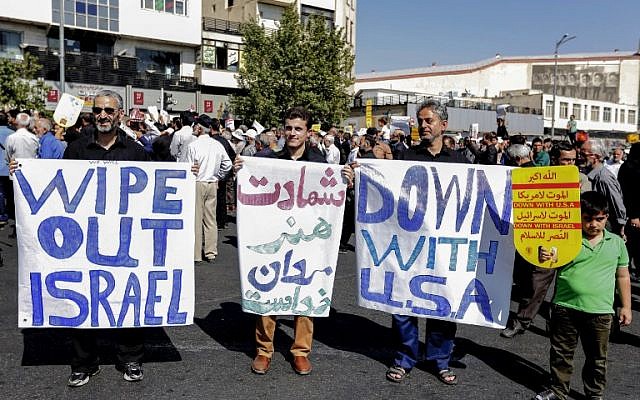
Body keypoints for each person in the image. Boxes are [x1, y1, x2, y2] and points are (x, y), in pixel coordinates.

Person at [234, 106, 353, 376]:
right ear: (282, 130)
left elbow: (331, 201)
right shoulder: (267, 159)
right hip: (274, 237)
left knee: (306, 293)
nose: (292, 133)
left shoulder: (320, 165)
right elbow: (251, 188)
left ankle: (300, 351)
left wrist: (345, 181)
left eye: (298, 128)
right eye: (288, 128)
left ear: (308, 132)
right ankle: (264, 351)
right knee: (267, 292)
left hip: (307, 239)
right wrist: (241, 169)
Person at [60, 90, 150, 387]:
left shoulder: (136, 152)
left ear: (119, 115)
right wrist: (20, 174)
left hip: (125, 239)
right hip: (85, 238)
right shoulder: (76, 149)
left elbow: (154, 192)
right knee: (84, 297)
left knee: (127, 296)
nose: (102, 115)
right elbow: (56, 187)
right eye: (98, 110)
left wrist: (187, 175)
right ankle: (84, 362)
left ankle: (131, 358)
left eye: (109, 111)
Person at [386, 100, 468, 386]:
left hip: (444, 249)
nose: (423, 125)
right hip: (410, 246)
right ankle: (405, 358)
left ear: (443, 126)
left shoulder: (460, 163)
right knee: (404, 304)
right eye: (420, 121)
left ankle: (439, 359)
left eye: (429, 121)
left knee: (443, 303)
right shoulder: (406, 157)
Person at [534, 191, 631, 400]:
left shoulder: (616, 243)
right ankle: (558, 390)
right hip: (565, 307)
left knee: (597, 358)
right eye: (587, 219)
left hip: (601, 312)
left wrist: (626, 306)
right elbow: (550, 260)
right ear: (578, 216)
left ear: (607, 217)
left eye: (599, 219)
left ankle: (594, 394)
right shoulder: (567, 239)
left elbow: (623, 276)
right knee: (561, 353)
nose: (593, 224)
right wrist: (543, 254)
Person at [185, 115, 232, 265]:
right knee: (211, 219)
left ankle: (196, 254)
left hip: (197, 182)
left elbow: (187, 166)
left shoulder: (193, 146)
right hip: (212, 182)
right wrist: (219, 175)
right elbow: (228, 164)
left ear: (199, 128)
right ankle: (211, 252)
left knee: (197, 219)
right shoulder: (217, 145)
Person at [583, 141, 627, 236]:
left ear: (596, 157)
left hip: (606, 227)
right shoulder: (588, 175)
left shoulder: (604, 178)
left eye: (584, 154)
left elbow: (617, 202)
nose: (580, 157)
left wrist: (621, 226)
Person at [617, 142, 640, 281]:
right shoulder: (629, 168)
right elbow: (629, 194)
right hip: (632, 216)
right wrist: (634, 216)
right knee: (632, 248)